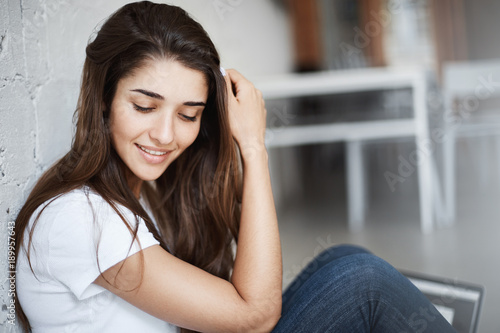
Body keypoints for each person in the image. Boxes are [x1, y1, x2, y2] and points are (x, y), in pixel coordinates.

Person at [14, 1, 456, 332]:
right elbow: (256, 315)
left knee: (344, 257)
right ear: (104, 99)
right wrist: (253, 147)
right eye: (145, 106)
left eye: (188, 114)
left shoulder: (129, 195)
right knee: (362, 282)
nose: (166, 135)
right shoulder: (79, 218)